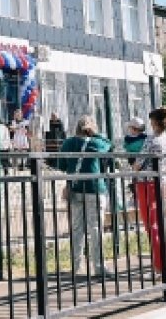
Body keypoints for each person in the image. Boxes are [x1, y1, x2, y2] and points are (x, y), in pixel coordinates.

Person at [60, 115, 112, 278]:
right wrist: (95, 134)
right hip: (94, 188)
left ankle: (76, 266)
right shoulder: (97, 143)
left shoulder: (68, 143)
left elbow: (61, 165)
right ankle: (98, 267)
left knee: (77, 228)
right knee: (96, 228)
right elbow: (108, 144)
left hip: (75, 188)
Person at [132, 106, 166, 274]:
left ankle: (161, 265)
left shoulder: (151, 140)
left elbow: (138, 163)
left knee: (151, 225)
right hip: (161, 183)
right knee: (160, 222)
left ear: (154, 122)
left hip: (146, 183)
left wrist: (133, 169)